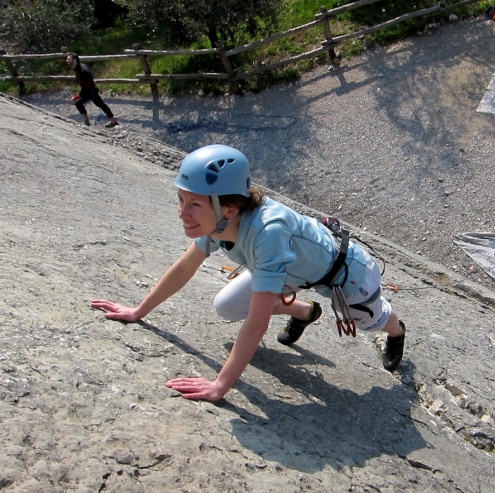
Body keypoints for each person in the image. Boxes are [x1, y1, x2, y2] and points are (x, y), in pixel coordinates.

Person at [91, 145, 406, 402]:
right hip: (292, 268)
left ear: (229, 208)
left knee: (372, 322)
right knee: (226, 306)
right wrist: (137, 311)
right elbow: (185, 267)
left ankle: (397, 331)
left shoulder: (268, 233)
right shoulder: (216, 220)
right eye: (181, 199)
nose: (182, 213)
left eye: (194, 204)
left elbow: (258, 323)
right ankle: (305, 311)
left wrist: (220, 386)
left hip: (346, 275)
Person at [65, 52, 118, 128]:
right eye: (66, 59)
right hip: (91, 90)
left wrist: (77, 96)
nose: (66, 60)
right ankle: (113, 121)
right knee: (101, 105)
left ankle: (87, 122)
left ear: (75, 60)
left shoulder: (82, 71)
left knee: (78, 103)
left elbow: (87, 86)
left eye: (68, 59)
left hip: (91, 92)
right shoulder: (79, 68)